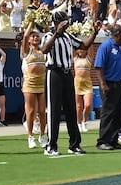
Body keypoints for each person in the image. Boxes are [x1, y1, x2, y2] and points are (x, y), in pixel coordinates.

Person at [41, 10, 101, 156]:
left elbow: (83, 46)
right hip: (54, 73)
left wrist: (95, 33)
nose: (66, 24)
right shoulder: (49, 36)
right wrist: (56, 33)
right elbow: (44, 49)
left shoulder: (68, 36)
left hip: (68, 74)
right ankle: (51, 145)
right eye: (63, 21)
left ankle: (74, 144)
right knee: (54, 110)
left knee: (71, 110)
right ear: (57, 22)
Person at [94, 25, 121, 151]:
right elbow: (99, 66)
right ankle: (103, 141)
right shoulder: (106, 46)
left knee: (119, 113)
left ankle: (113, 140)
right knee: (108, 113)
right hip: (109, 85)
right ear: (117, 33)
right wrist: (103, 84)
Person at [21, 22, 47, 149]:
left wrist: (44, 22)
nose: (35, 38)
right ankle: (30, 137)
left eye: (37, 36)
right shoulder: (27, 51)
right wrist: (32, 21)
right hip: (30, 84)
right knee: (31, 112)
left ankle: (42, 136)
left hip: (41, 84)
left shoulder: (42, 50)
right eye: (33, 36)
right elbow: (25, 37)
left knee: (42, 112)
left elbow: (49, 35)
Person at [73, 47, 94, 133]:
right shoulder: (75, 59)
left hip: (87, 84)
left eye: (83, 49)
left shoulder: (88, 59)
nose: (81, 51)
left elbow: (91, 49)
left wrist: (90, 35)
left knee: (88, 105)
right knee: (78, 106)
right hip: (78, 84)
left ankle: (84, 121)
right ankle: (78, 123)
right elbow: (72, 47)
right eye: (79, 49)